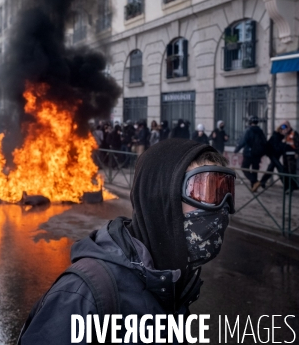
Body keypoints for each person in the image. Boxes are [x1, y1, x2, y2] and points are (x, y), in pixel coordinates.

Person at [18, 139, 235, 343]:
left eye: (225, 190)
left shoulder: (173, 281)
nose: (221, 208)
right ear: (159, 198)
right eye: (203, 191)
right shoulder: (82, 295)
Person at [234, 116, 267, 192]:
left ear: (250, 122)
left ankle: (255, 182)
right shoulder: (260, 131)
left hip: (249, 154)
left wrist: (236, 150)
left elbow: (242, 141)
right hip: (257, 154)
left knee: (244, 168)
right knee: (255, 170)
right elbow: (264, 142)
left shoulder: (248, 130)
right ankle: (254, 187)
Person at [259, 126, 285, 190]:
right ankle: (286, 186)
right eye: (283, 130)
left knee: (270, 168)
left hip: (275, 155)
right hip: (272, 154)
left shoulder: (280, 136)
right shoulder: (276, 136)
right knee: (280, 168)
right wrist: (283, 143)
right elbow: (276, 148)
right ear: (280, 130)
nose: (285, 131)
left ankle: (262, 182)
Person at [281, 121, 299, 193]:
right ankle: (287, 186)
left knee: (291, 171)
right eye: (283, 126)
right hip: (285, 155)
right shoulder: (284, 134)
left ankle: (291, 187)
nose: (284, 128)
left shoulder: (294, 133)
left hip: (291, 155)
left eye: (285, 126)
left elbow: (298, 143)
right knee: (285, 171)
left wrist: (297, 153)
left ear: (289, 126)